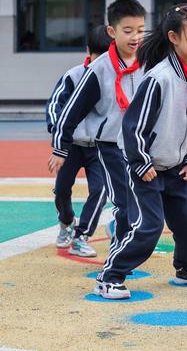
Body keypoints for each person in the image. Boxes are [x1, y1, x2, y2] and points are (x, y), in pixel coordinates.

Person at [95, 3, 187, 299]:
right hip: (147, 168)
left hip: (176, 167)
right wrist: (141, 162)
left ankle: (186, 268)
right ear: (174, 37)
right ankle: (109, 277)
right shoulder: (159, 78)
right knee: (148, 229)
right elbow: (133, 126)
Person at [48, 0, 146, 298]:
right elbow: (67, 111)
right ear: (112, 32)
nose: (135, 36)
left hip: (135, 146)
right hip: (102, 145)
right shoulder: (93, 71)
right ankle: (107, 264)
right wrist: (59, 146)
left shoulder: (148, 61)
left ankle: (94, 238)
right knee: (108, 200)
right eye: (128, 30)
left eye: (140, 30)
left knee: (129, 204)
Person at [45, 25, 111, 257]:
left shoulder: (115, 78)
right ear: (88, 52)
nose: (102, 63)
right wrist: (58, 135)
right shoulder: (73, 76)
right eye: (98, 56)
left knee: (101, 190)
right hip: (71, 146)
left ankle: (82, 236)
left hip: (100, 147)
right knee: (62, 189)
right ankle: (65, 222)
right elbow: (55, 105)